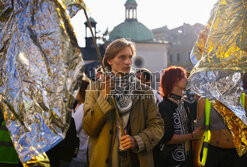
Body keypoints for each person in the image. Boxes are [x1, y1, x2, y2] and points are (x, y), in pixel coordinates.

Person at [82, 38, 164, 167]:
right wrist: (103, 98)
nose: (128, 62)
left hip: (136, 160)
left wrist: (138, 140)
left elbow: (157, 126)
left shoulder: (145, 91)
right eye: (122, 57)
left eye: (130, 57)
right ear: (109, 60)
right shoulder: (94, 89)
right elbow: (89, 128)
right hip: (106, 160)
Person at [155, 66, 203, 167]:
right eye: (183, 77)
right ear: (174, 81)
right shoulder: (164, 106)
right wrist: (193, 135)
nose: (187, 79)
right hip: (171, 161)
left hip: (188, 160)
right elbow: (168, 139)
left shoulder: (186, 104)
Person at [193, 82, 247, 167]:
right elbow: (199, 132)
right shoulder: (204, 100)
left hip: (239, 154)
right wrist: (196, 159)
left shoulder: (243, 98)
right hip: (214, 153)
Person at [69, 77, 90, 167]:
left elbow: (74, 128)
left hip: (80, 153)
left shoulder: (83, 107)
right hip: (78, 151)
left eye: (77, 89)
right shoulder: (78, 105)